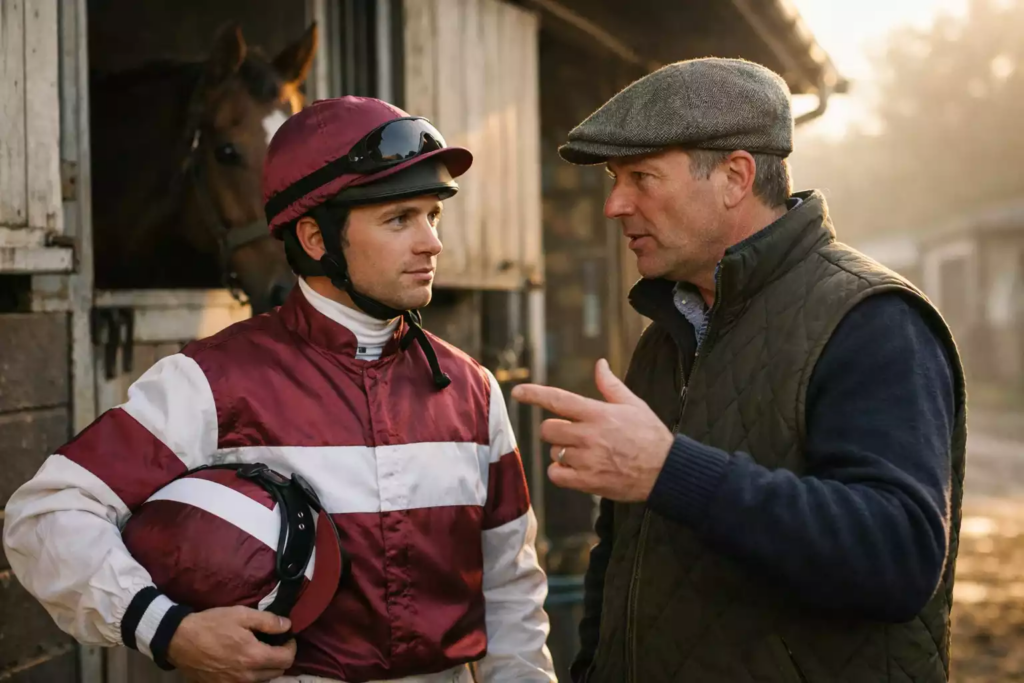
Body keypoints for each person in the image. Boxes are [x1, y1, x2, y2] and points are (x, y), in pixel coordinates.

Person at [4, 96, 555, 683]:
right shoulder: (211, 381)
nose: (432, 244)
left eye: (433, 216)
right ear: (316, 239)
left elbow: (512, 597)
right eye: (400, 219)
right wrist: (165, 628)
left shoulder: (472, 389)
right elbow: (45, 513)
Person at [511, 58, 966, 683]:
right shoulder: (664, 340)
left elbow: (899, 559)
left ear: (734, 177)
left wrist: (671, 470)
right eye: (615, 180)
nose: (615, 204)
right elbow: (622, 563)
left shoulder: (870, 320)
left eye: (642, 177)